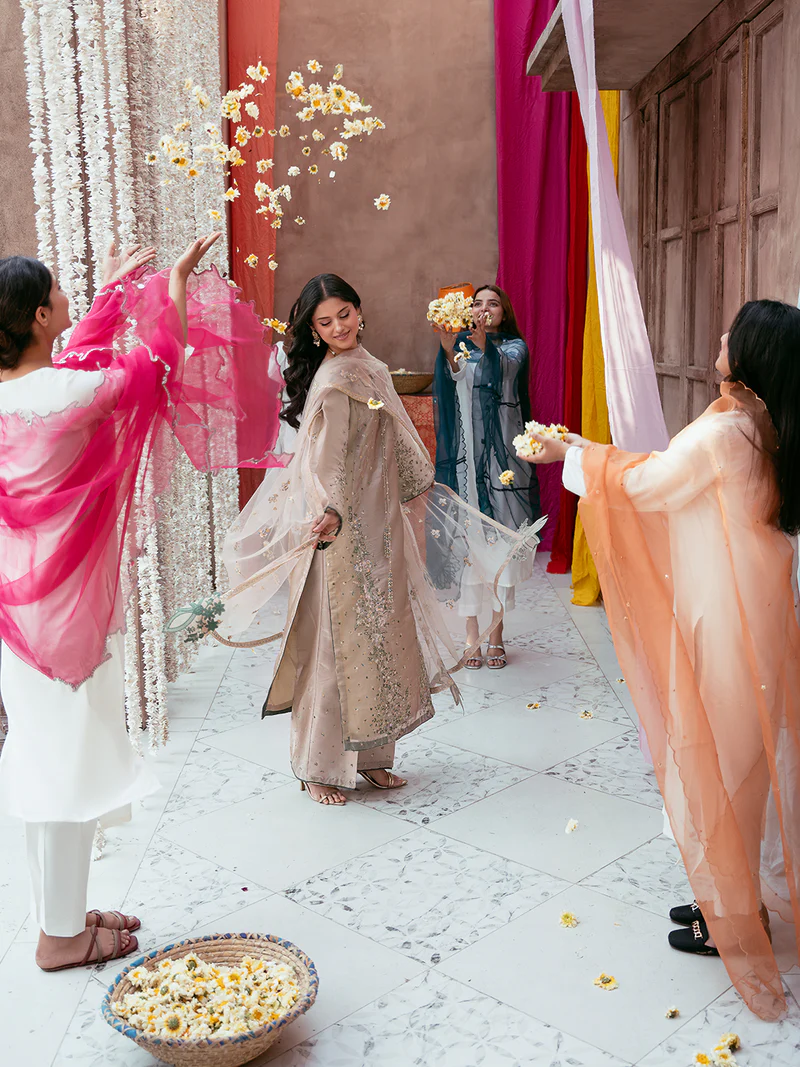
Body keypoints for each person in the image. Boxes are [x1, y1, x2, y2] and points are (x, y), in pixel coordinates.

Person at [0, 235, 284, 971]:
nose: (64, 294)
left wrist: (102, 299)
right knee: (63, 772)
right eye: (56, 290)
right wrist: (175, 283)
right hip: (64, 619)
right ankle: (60, 938)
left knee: (43, 761)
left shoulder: (24, 396)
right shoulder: (66, 396)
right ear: (37, 316)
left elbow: (72, 367)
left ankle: (60, 917)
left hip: (16, 616)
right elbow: (157, 361)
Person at [517, 299, 800, 1022]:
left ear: (754, 352)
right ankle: (726, 900)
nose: (720, 336)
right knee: (741, 756)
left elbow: (649, 485)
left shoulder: (728, 429)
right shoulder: (762, 420)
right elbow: (663, 469)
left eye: (732, 332)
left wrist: (567, 457)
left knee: (726, 760)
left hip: (727, 616)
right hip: (752, 605)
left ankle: (734, 918)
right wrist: (583, 446)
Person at [210, 274, 541, 806]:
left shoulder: (372, 368)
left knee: (381, 641)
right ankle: (317, 767)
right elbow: (322, 458)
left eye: (344, 314)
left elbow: (395, 450)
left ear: (359, 311)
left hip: (378, 525)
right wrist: (330, 510)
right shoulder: (335, 378)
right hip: (337, 531)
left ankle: (371, 758)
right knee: (334, 646)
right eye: (325, 322)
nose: (339, 327)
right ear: (314, 331)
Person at [432, 284, 540, 669]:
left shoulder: (514, 348)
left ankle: (496, 634)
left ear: (504, 312)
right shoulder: (462, 346)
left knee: (498, 549)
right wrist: (449, 349)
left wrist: (485, 347)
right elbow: (455, 378)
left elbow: (505, 373)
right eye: (477, 303)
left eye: (492, 303)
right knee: (468, 547)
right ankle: (470, 634)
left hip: (500, 464)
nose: (484, 309)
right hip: (466, 462)